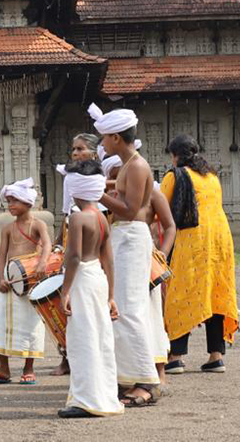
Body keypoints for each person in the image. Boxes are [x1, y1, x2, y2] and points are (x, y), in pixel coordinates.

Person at [93, 102, 161, 408]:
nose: (102, 144)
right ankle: (128, 377)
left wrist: (98, 195)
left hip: (133, 236)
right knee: (120, 306)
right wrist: (98, 184)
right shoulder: (129, 163)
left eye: (105, 138)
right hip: (124, 237)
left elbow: (133, 210)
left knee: (130, 309)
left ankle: (147, 381)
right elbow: (122, 195)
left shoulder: (136, 166)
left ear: (116, 138)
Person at [161, 134, 238, 377]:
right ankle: (216, 356)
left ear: (175, 156)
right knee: (215, 293)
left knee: (181, 294)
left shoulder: (174, 176)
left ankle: (176, 356)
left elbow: (159, 207)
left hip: (192, 240)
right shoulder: (212, 176)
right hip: (220, 240)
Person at [57, 162, 123, 419]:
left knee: (82, 339)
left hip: (82, 279)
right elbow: (109, 260)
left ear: (76, 189)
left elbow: (73, 257)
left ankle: (86, 400)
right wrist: (111, 296)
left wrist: (65, 291)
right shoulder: (102, 219)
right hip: (98, 278)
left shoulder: (78, 217)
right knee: (100, 337)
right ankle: (103, 396)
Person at [0, 178, 50, 385]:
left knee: (30, 324)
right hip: (9, 281)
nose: (10, 205)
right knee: (1, 322)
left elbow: (46, 245)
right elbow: (1, 255)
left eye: (14, 201)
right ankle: (3, 368)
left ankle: (29, 368)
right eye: (8, 201)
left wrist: (42, 263)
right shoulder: (8, 229)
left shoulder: (38, 224)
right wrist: (1, 277)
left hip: (30, 281)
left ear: (27, 202)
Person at [51, 132, 98, 376]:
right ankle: (66, 357)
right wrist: (58, 243)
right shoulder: (71, 177)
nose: (76, 154)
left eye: (81, 149)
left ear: (94, 152)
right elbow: (67, 214)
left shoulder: (96, 179)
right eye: (74, 149)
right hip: (73, 234)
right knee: (66, 308)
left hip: (90, 252)